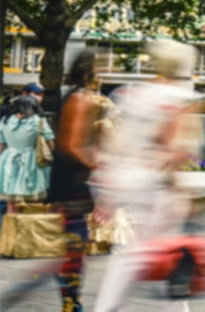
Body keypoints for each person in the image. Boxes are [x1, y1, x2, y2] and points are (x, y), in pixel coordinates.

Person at [92, 39, 205, 311]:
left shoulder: (134, 95)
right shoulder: (179, 100)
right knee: (157, 254)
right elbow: (174, 150)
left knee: (145, 253)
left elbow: (115, 145)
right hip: (156, 187)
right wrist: (181, 192)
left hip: (127, 182)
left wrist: (107, 196)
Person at [45, 51, 106, 311]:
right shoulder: (80, 100)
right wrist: (97, 163)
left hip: (71, 180)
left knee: (77, 242)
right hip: (71, 183)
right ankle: (70, 300)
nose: (105, 75)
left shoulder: (80, 98)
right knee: (75, 242)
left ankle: (71, 297)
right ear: (89, 72)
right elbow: (70, 146)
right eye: (101, 70)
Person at [0, 96, 54, 209]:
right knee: (34, 201)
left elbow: (1, 145)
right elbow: (51, 144)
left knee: (11, 201)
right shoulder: (39, 121)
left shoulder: (5, 121)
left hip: (9, 160)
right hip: (32, 161)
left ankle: (12, 225)